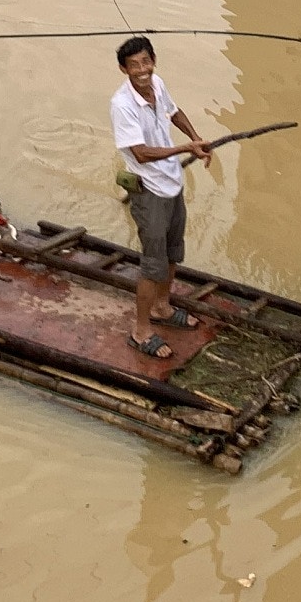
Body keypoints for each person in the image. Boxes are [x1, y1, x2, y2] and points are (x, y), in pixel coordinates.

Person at [109, 35, 211, 361]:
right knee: (152, 264)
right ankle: (140, 331)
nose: (142, 70)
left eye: (146, 62)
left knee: (171, 253)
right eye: (134, 65)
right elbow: (140, 153)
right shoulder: (121, 105)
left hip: (172, 183)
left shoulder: (158, 84)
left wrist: (195, 137)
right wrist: (184, 148)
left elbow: (174, 111)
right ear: (123, 69)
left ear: (154, 61)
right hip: (149, 191)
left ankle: (162, 308)